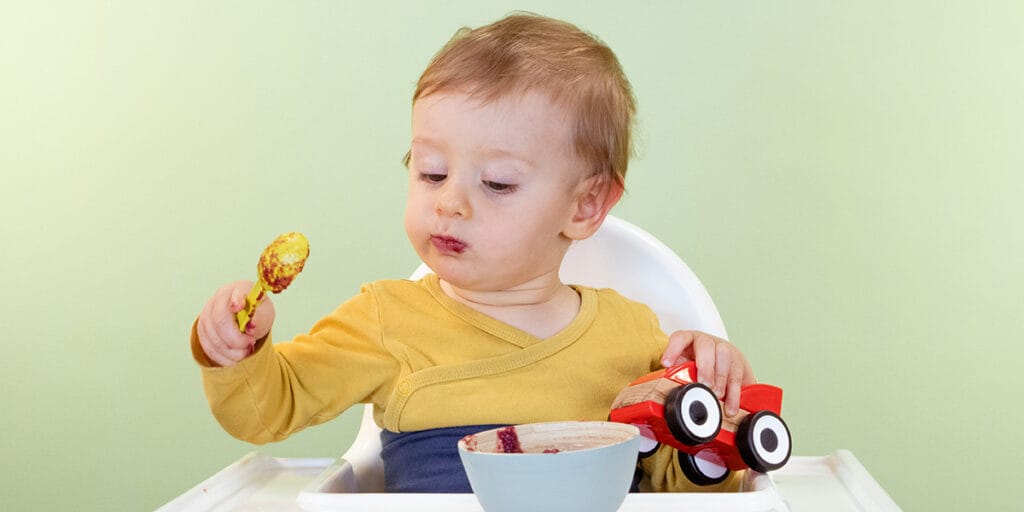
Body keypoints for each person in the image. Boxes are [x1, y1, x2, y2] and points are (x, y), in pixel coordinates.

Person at [192, 12, 755, 493]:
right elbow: (268, 409)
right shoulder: (385, 320)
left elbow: (681, 489)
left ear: (585, 206)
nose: (450, 202)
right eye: (431, 172)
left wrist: (709, 411)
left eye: (498, 184)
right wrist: (238, 350)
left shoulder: (633, 335)